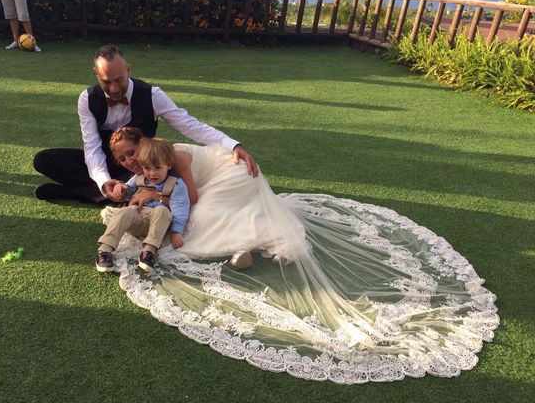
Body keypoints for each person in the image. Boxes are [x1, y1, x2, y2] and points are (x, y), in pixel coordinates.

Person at [102, 126, 499, 384]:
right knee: (225, 215)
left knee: (205, 218)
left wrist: (161, 205)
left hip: (230, 176)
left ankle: (251, 245)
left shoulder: (173, 158)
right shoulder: (147, 166)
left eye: (132, 153)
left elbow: (191, 194)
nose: (130, 162)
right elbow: (141, 184)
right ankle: (261, 244)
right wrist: (132, 190)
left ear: (148, 146)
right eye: (123, 159)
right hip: (210, 180)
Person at [32, 44, 257, 204]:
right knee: (44, 160)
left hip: (144, 170)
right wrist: (103, 181)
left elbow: (189, 125)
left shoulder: (152, 95)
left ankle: (87, 192)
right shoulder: (87, 99)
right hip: (108, 165)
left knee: (159, 181)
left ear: (128, 69)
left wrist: (233, 145)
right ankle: (101, 192)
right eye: (105, 81)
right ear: (95, 74)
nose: (113, 89)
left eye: (118, 80)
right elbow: (91, 147)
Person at [96, 137, 189, 273]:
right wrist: (120, 188)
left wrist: (176, 231)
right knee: (123, 211)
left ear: (168, 165)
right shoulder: (139, 178)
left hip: (158, 224)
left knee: (162, 211)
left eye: (157, 167)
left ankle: (149, 252)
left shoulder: (176, 184)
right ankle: (104, 250)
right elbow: (128, 192)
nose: (152, 173)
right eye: (147, 168)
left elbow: (181, 207)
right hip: (138, 219)